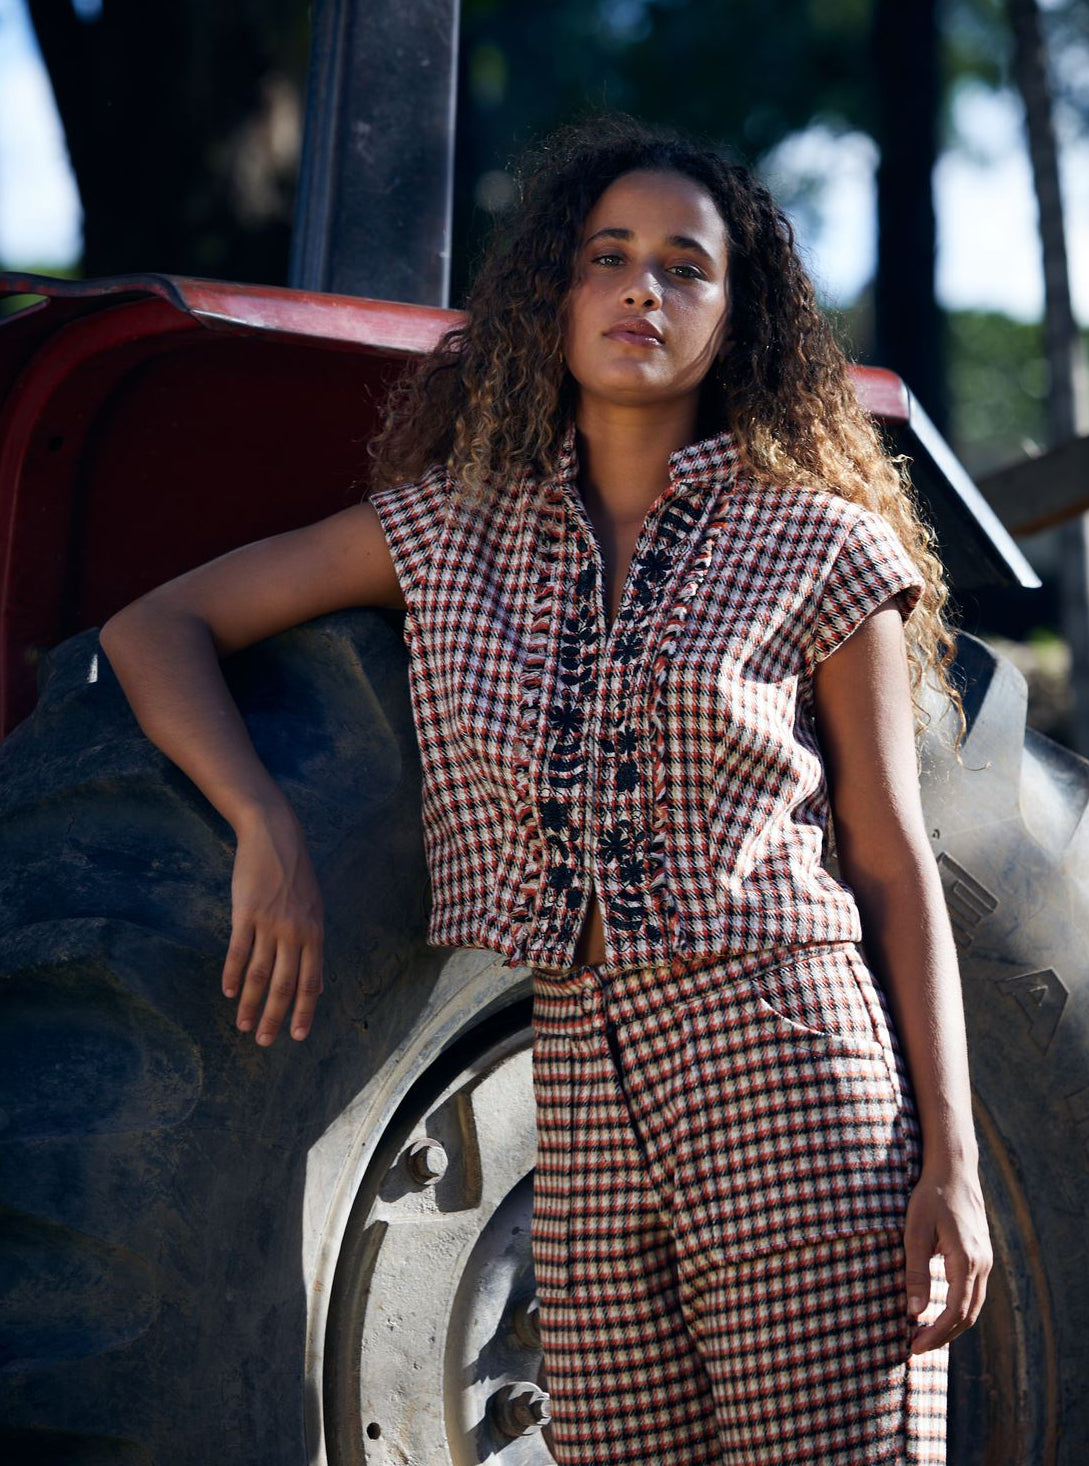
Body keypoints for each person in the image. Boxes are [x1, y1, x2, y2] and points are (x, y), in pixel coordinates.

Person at [99, 112, 992, 1463]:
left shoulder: (818, 543)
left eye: (684, 266)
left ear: (734, 316)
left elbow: (889, 862)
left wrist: (953, 1161)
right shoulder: (451, 528)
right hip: (572, 1086)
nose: (642, 287)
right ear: (552, 295)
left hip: (791, 1077)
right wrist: (262, 820)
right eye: (607, 255)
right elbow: (152, 626)